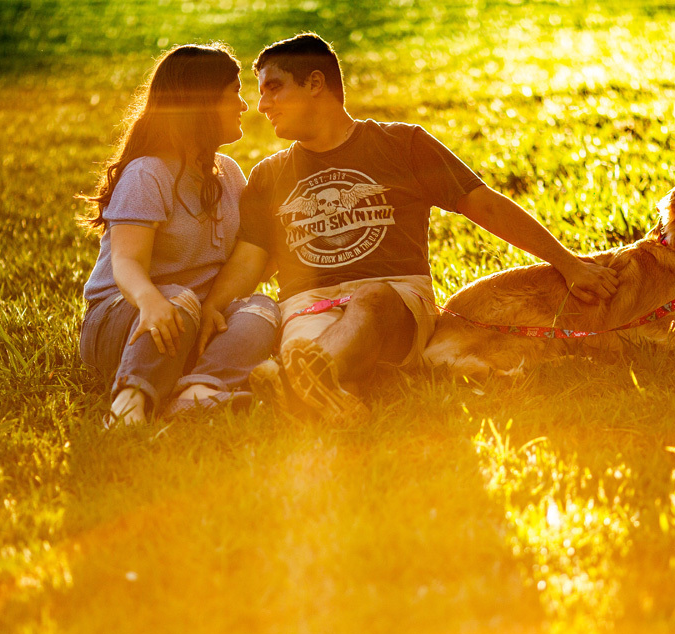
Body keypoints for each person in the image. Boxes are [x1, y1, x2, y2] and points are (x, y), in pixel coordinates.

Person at [197, 33, 618, 424]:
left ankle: (295, 378)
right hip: (308, 304)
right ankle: (328, 391)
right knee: (327, 351)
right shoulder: (269, 175)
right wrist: (212, 307)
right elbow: (248, 258)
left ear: (314, 83)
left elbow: (484, 205)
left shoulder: (402, 145)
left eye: (273, 88)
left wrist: (568, 263)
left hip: (393, 297)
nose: (262, 104)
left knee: (370, 298)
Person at [78, 44, 280, 425]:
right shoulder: (148, 173)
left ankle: (195, 394)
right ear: (202, 103)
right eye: (234, 93)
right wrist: (151, 300)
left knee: (262, 309)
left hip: (198, 321)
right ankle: (130, 404)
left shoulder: (230, 173)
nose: (243, 105)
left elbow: (249, 259)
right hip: (126, 319)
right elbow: (126, 262)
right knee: (177, 299)